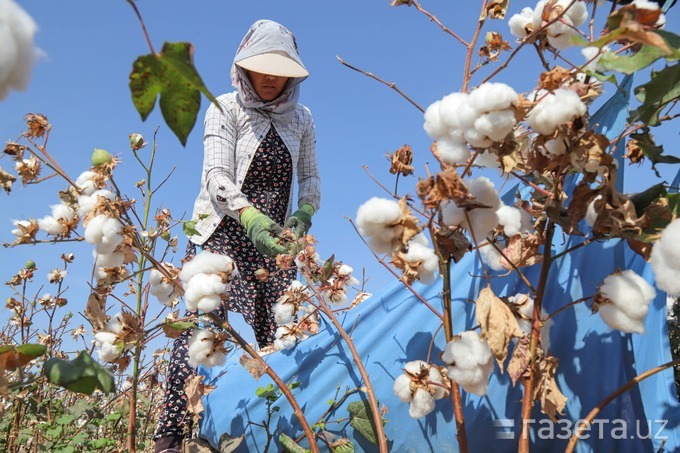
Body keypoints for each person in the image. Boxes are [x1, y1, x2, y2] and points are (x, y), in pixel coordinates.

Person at [153, 19, 320, 453]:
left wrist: (301, 216)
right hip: (223, 234)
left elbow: (311, 179)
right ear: (243, 68)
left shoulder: (302, 119)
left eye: (279, 70)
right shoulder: (225, 108)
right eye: (261, 67)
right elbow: (215, 176)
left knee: (286, 332)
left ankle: (285, 432)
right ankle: (172, 438)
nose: (269, 77)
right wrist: (249, 216)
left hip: (275, 245)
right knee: (201, 331)